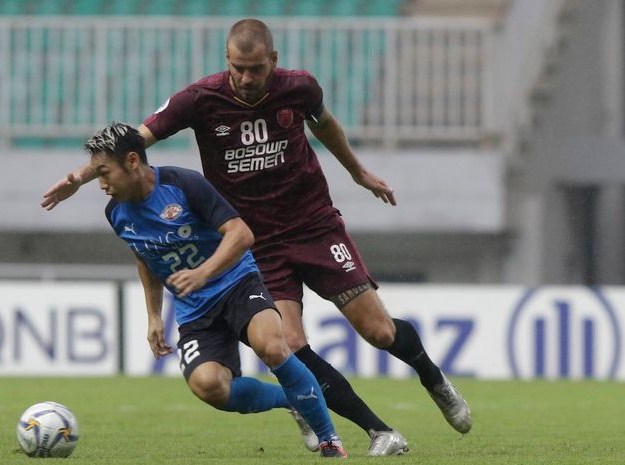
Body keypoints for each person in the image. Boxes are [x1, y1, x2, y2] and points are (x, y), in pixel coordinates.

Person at [42, 19, 471, 455]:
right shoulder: (200, 99)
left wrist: (358, 172)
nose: (246, 78)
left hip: (313, 225)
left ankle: (434, 379)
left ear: (274, 61)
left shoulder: (300, 88)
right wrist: (78, 177)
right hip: (254, 242)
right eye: (238, 68)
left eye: (255, 69)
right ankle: (378, 432)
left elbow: (324, 125)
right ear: (226, 60)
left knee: (378, 331)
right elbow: (131, 143)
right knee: (290, 345)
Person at [81, 122, 347, 458]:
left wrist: (203, 272)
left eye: (104, 173)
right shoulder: (116, 213)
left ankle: (330, 442)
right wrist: (152, 316)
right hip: (194, 308)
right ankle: (292, 401)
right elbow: (145, 257)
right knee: (209, 386)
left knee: (273, 346)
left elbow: (241, 233)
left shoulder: (183, 183)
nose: (101, 184)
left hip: (236, 282)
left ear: (133, 161)